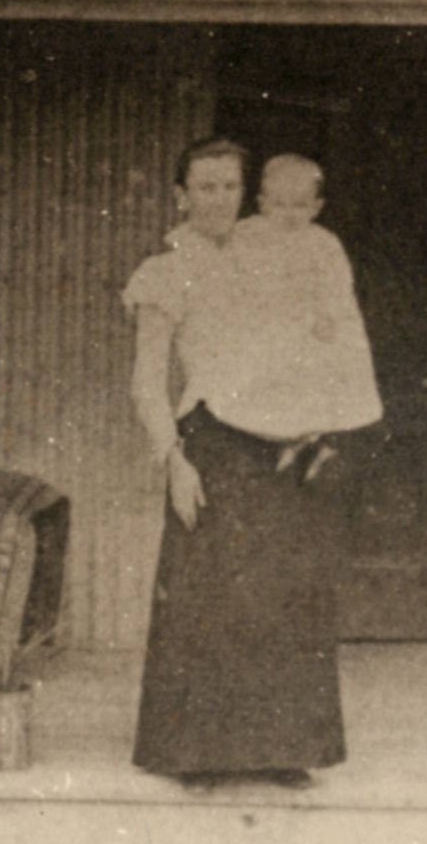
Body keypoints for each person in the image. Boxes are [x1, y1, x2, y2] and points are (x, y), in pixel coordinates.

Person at [122, 137, 366, 789]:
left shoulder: (272, 254)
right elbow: (147, 382)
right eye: (204, 187)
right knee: (208, 598)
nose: (218, 200)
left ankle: (282, 746)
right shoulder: (165, 271)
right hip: (209, 443)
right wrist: (172, 459)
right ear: (181, 195)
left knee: (287, 592)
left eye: (229, 187)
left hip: (280, 441)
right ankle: (194, 753)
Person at [225, 153, 383, 474]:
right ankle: (284, 440)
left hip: (310, 326)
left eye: (299, 206)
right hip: (266, 326)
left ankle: (314, 439)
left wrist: (328, 316)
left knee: (317, 381)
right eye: (280, 205)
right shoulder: (245, 235)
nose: (289, 214)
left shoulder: (323, 244)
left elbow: (339, 286)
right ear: (262, 203)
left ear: (316, 207)